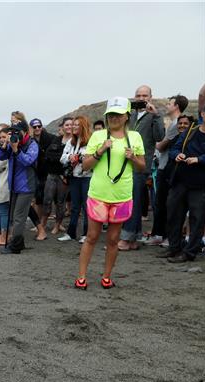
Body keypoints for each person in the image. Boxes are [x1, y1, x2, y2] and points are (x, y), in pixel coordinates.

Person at [75, 97, 145, 289]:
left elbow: (142, 167)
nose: (114, 118)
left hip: (121, 196)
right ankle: (81, 276)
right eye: (111, 114)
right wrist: (100, 151)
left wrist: (133, 158)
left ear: (127, 116)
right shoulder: (98, 136)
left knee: (113, 239)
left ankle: (106, 277)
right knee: (92, 236)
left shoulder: (135, 137)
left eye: (118, 114)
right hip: (98, 194)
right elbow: (86, 165)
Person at [158, 104, 205, 262]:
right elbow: (174, 149)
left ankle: (189, 252)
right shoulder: (190, 132)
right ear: (202, 114)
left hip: (200, 185)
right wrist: (177, 154)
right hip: (180, 181)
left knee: (197, 218)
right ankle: (174, 248)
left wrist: (199, 159)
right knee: (173, 214)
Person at [117, 85, 164, 251]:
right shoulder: (131, 114)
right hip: (124, 164)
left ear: (150, 97)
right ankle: (134, 239)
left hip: (140, 164)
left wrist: (156, 115)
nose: (141, 98)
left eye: (145, 95)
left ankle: (126, 237)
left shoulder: (155, 116)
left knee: (133, 202)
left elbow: (160, 137)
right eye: (138, 95)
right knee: (130, 201)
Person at [147, 94, 189, 246]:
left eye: (170, 103)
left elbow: (160, 145)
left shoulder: (176, 124)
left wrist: (153, 140)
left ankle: (164, 236)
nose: (167, 105)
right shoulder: (173, 123)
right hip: (164, 166)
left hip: (167, 167)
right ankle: (160, 234)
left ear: (176, 105)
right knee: (161, 202)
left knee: (164, 203)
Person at [0, 120, 39, 254]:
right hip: (14, 185)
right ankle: (19, 242)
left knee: (19, 217)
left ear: (25, 132)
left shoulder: (32, 144)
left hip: (26, 187)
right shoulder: (13, 142)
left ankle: (16, 246)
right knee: (13, 216)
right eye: (12, 132)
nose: (14, 135)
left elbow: (28, 161)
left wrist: (16, 149)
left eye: (17, 132)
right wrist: (4, 145)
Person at [58, 116, 93, 242]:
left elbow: (93, 158)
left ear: (83, 126)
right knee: (74, 206)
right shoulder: (71, 141)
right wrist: (70, 157)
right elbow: (62, 158)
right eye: (73, 124)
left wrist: (81, 158)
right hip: (74, 176)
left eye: (76, 125)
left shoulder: (91, 141)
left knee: (86, 206)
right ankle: (71, 233)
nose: (73, 127)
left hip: (87, 177)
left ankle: (86, 234)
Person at [39, 117, 68, 235]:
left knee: (60, 202)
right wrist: (61, 158)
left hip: (64, 176)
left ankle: (57, 225)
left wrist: (59, 158)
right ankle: (43, 224)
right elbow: (48, 155)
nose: (69, 127)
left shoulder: (76, 142)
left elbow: (71, 161)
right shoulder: (57, 139)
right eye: (66, 125)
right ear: (63, 127)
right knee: (47, 200)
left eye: (71, 125)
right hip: (52, 174)